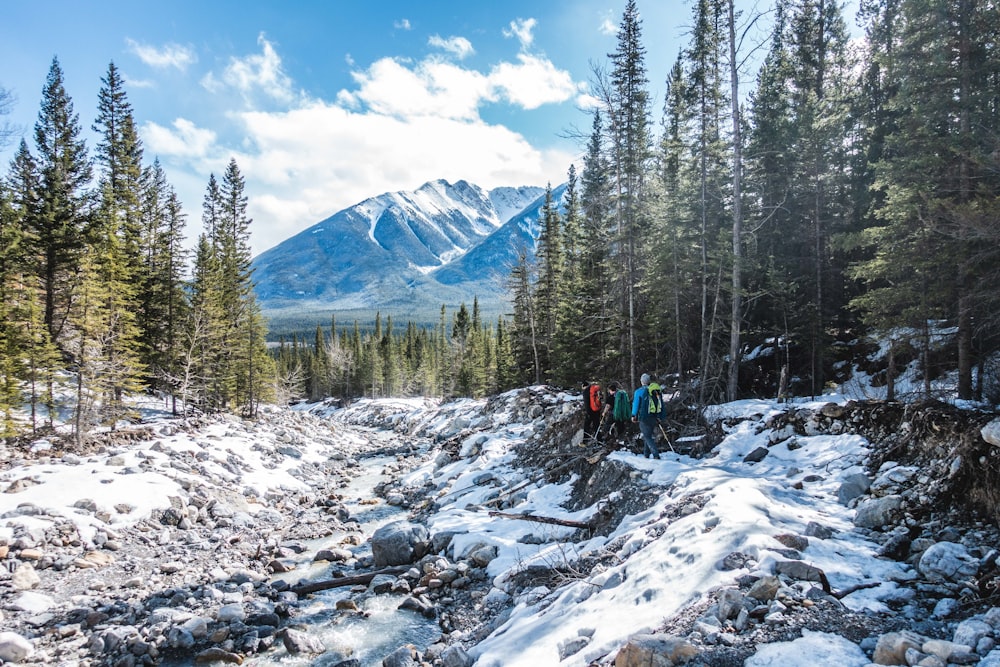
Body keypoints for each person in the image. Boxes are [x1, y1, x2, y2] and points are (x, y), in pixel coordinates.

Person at [632, 373, 665, 459]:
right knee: (648, 435)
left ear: (641, 381)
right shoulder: (655, 390)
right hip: (654, 416)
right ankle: (646, 455)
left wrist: (633, 415)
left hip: (644, 417)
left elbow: (636, 404)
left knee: (647, 437)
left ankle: (656, 455)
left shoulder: (639, 391)